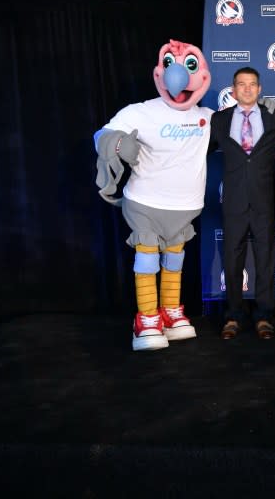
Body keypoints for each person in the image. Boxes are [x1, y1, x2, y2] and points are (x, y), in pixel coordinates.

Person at [94, 40, 212, 351]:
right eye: (172, 65)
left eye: (189, 66)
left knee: (175, 258)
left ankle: (170, 313)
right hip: (146, 203)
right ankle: (146, 318)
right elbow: (101, 134)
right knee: (147, 259)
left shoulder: (207, 117)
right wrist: (117, 144)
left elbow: (245, 126)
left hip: (185, 207)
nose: (179, 77)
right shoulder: (141, 112)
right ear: (159, 73)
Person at [210, 67, 275, 341]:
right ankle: (233, 315)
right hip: (233, 201)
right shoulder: (218, 120)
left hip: (265, 200)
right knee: (232, 258)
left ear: (259, 89)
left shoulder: (274, 119)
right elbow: (196, 153)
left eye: (252, 84)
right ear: (233, 90)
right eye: (241, 84)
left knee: (266, 258)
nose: (246, 89)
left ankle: (264, 316)